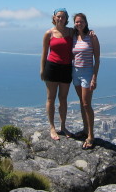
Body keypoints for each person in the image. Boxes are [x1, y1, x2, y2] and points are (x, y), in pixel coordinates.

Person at [40, 8, 74, 140]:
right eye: (58, 16)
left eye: (63, 17)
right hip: (52, 67)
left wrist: (91, 32)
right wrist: (42, 69)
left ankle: (63, 126)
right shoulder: (49, 33)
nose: (60, 19)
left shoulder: (71, 32)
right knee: (50, 98)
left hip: (66, 68)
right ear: (54, 17)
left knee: (63, 99)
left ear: (66, 19)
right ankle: (52, 127)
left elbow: (83, 32)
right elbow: (44, 53)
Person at [72, 13, 100, 149]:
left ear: (85, 22)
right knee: (82, 103)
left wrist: (94, 77)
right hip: (75, 72)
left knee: (86, 104)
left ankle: (90, 135)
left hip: (87, 73)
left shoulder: (92, 37)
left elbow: (97, 59)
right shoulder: (73, 37)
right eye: (77, 22)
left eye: (81, 21)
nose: (79, 24)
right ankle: (84, 130)